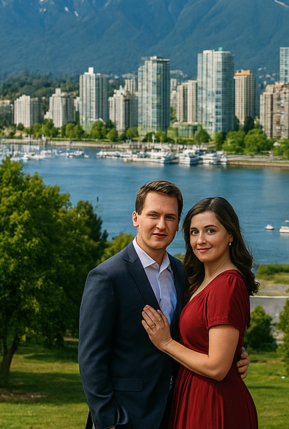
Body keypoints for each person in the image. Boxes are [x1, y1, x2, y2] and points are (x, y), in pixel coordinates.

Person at [78, 181, 248, 429]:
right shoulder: (107, 277)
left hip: (177, 410)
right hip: (126, 416)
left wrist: (235, 353)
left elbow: (200, 328)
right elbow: (91, 359)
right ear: (136, 218)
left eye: (170, 217)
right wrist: (108, 421)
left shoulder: (185, 274)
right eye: (153, 215)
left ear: (178, 224)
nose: (161, 225)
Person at [141, 196, 259, 429]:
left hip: (214, 403)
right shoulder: (199, 281)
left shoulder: (227, 284)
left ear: (231, 235)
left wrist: (166, 343)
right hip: (194, 395)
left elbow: (216, 367)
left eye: (210, 230)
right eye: (194, 232)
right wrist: (235, 350)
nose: (200, 240)